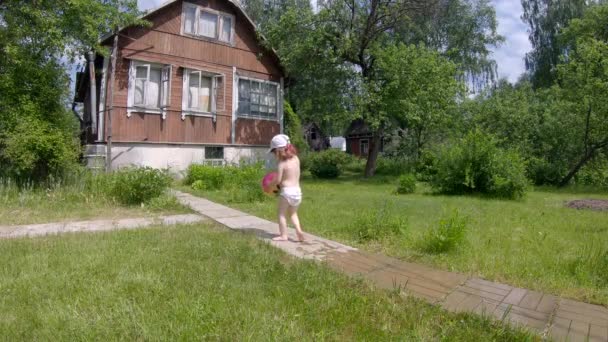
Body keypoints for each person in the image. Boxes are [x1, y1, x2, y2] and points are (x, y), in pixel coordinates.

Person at [268, 134, 305, 242]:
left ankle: (284, 236)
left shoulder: (281, 164)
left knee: (281, 214)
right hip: (298, 192)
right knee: (293, 213)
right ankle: (299, 231)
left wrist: (271, 184)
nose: (274, 154)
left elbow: (278, 180)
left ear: (278, 151)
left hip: (287, 193)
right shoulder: (296, 159)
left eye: (274, 152)